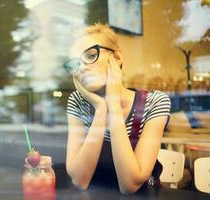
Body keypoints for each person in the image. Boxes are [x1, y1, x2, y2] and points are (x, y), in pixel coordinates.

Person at [64, 23, 171, 194]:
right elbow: (79, 179)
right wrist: (100, 109)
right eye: (75, 63)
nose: (82, 67)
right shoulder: (78, 102)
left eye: (91, 55)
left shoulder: (154, 101)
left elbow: (130, 185)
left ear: (117, 57)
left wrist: (113, 105)